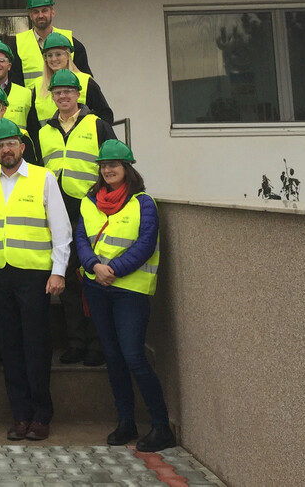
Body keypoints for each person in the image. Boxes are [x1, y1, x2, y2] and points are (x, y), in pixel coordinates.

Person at [75, 140, 176, 453]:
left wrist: (112, 269)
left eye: (114, 165)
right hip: (97, 287)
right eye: (104, 166)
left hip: (129, 291)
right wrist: (93, 265)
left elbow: (145, 244)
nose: (108, 170)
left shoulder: (143, 202)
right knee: (114, 357)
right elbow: (81, 240)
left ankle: (161, 427)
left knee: (133, 356)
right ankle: (125, 422)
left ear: (127, 168)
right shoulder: (88, 201)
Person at [0, 118, 71, 442]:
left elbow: (61, 229)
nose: (6, 149)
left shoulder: (43, 178)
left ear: (22, 146)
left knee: (36, 345)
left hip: (34, 275)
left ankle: (41, 415)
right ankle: (20, 416)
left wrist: (59, 270)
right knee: (10, 347)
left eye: (10, 144)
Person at [39, 69, 117, 366]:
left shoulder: (96, 125)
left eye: (67, 92)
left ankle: (98, 344)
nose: (62, 96)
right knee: (68, 280)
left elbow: (114, 164)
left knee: (93, 279)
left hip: (92, 210)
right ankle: (76, 342)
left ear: (77, 95)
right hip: (58, 212)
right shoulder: (44, 130)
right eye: (57, 92)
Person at [13, 0, 93, 88]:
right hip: (36, 102)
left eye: (44, 10)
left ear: (53, 12)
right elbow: (15, 85)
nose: (40, 15)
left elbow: (85, 81)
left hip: (66, 101)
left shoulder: (72, 43)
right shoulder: (18, 45)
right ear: (30, 15)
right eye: (36, 12)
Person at [33, 32, 114, 124]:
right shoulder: (38, 85)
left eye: (58, 54)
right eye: (49, 55)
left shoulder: (86, 82)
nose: (54, 59)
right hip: (50, 138)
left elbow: (105, 115)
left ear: (68, 55)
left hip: (81, 138)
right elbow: (33, 124)